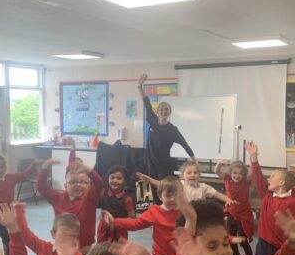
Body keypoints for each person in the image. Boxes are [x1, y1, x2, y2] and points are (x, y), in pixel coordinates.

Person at [247, 142, 295, 255]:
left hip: (281, 248)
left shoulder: (294, 204)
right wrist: (253, 157)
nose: (269, 178)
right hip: (263, 244)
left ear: (281, 183)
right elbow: (258, 177)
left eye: (273, 176)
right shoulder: (266, 196)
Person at [137, 73, 194, 203]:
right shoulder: (152, 120)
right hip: (150, 163)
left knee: (164, 190)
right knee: (150, 190)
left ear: (170, 112)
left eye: (167, 109)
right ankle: (155, 213)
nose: (164, 111)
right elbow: (146, 102)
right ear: (158, 111)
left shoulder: (172, 130)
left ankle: (166, 211)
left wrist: (193, 158)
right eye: (162, 109)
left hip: (164, 165)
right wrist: (140, 87)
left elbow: (184, 144)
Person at [37, 158, 103, 254]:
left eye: (83, 182)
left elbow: (99, 184)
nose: (78, 185)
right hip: (64, 247)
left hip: (84, 249)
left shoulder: (90, 198)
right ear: (65, 185)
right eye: (73, 182)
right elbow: (41, 187)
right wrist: (45, 167)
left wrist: (89, 170)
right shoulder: (58, 198)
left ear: (88, 185)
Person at [138, 158, 233, 205]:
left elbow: (217, 194)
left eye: (195, 173)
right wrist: (150, 180)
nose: (192, 175)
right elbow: (163, 184)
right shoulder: (180, 184)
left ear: (199, 175)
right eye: (189, 173)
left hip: (198, 215)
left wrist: (228, 200)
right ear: (183, 176)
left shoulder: (203, 187)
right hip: (182, 214)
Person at [214, 159, 255, 255]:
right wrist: (219, 163)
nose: (237, 176)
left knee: (242, 240)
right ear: (230, 173)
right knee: (230, 238)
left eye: (240, 174)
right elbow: (216, 171)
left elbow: (252, 172)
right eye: (235, 173)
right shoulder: (227, 179)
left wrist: (252, 159)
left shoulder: (246, 181)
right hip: (232, 213)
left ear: (244, 175)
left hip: (244, 215)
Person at [96, 165, 135, 243]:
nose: (115, 180)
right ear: (108, 179)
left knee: (119, 251)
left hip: (120, 230)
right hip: (104, 228)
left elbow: (132, 218)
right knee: (101, 249)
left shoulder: (127, 199)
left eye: (119, 178)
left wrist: (116, 222)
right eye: (112, 177)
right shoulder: (102, 193)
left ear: (125, 181)